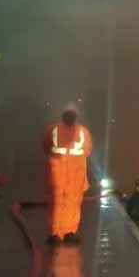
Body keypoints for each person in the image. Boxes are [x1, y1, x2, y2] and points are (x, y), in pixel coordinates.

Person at [43, 105, 92, 245]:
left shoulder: (53, 130)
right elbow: (87, 150)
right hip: (70, 174)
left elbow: (46, 146)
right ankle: (63, 232)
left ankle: (61, 233)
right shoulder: (82, 132)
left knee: (64, 203)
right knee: (66, 203)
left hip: (63, 173)